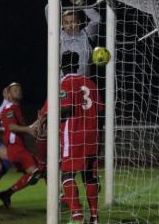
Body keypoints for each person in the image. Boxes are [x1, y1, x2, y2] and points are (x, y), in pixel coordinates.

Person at [58, 51, 104, 224]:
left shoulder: (64, 83)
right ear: (77, 65)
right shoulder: (91, 83)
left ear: (61, 66)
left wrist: (53, 115)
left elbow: (67, 108)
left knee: (67, 175)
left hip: (74, 135)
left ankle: (77, 216)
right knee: (90, 176)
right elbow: (100, 112)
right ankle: (94, 217)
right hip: (93, 136)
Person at [0, 82, 42, 208]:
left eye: (19, 89)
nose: (18, 91)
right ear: (8, 94)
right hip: (16, 149)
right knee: (37, 172)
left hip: (20, 148)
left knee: (43, 170)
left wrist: (37, 122)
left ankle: (7, 193)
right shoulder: (10, 108)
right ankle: (61, 198)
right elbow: (11, 127)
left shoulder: (16, 108)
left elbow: (24, 127)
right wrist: (28, 129)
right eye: (14, 89)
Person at [45, 0, 101, 77]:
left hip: (83, 85)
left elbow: (97, 19)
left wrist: (80, 2)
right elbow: (48, 8)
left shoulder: (87, 34)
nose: (70, 25)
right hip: (62, 86)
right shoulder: (58, 35)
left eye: (73, 21)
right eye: (66, 22)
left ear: (79, 22)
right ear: (62, 25)